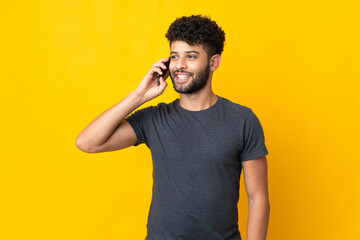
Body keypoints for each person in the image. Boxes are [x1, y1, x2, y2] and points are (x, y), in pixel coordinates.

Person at [76, 15, 270, 240]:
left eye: (191, 56)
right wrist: (138, 96)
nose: (179, 65)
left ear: (214, 62)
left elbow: (258, 198)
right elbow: (87, 143)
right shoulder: (154, 118)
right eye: (174, 56)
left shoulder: (243, 120)